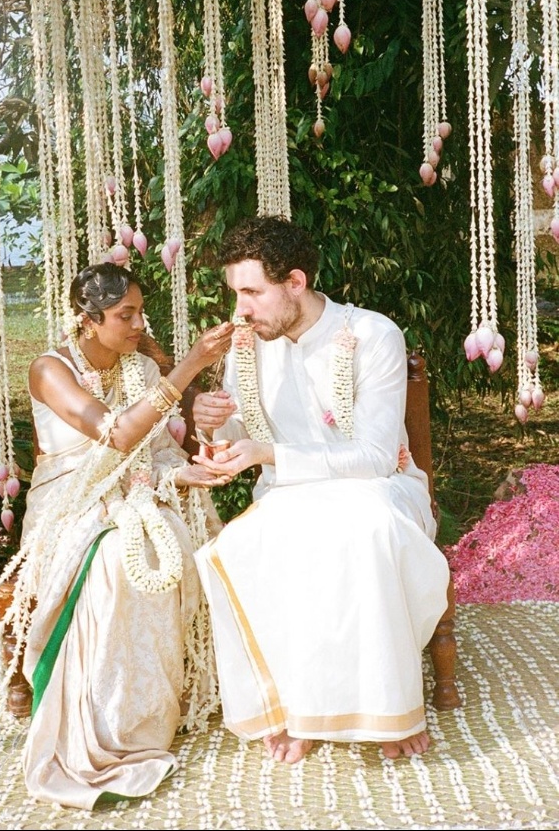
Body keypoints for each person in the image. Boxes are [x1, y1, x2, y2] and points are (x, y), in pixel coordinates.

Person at [192, 216, 450, 764]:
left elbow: (377, 459)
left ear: (295, 282)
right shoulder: (248, 345)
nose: (240, 309)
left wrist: (269, 455)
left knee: (366, 532)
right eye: (236, 293)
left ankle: (391, 705)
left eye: (251, 292)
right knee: (237, 547)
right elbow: (237, 439)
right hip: (287, 494)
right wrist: (213, 422)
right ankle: (295, 707)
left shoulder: (373, 334)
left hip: (379, 489)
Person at [0, 263, 233, 809]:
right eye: (125, 314)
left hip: (136, 490)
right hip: (69, 500)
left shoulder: (139, 369)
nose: (137, 323)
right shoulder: (48, 370)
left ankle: (151, 713)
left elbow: (156, 454)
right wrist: (192, 363)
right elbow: (118, 432)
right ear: (88, 320)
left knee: (168, 540)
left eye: (139, 312)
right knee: (112, 560)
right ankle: (101, 723)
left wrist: (185, 474)